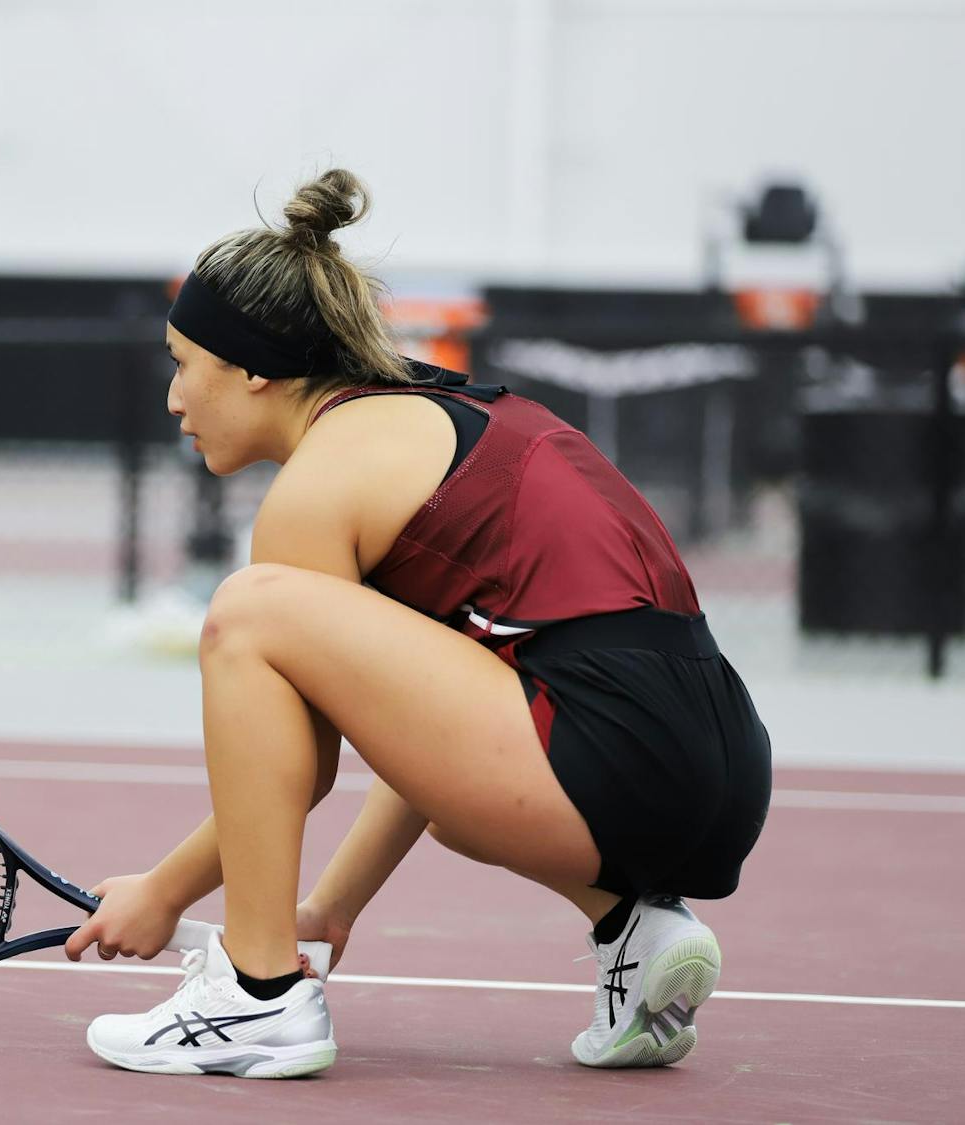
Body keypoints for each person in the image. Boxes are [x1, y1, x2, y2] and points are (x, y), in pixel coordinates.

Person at [64, 169, 771, 1078]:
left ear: (249, 367)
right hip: (721, 757)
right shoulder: (445, 417)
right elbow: (424, 735)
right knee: (455, 781)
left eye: (181, 363)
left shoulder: (319, 483)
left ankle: (255, 995)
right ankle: (636, 927)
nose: (173, 400)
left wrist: (162, 894)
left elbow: (305, 768)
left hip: (604, 743)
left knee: (247, 608)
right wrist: (329, 907)